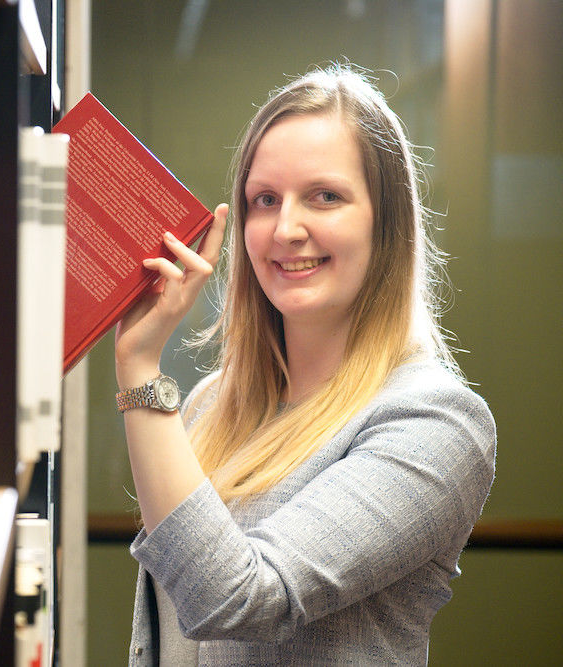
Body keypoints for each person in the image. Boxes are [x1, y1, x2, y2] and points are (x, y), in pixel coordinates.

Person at [112, 66, 496, 665]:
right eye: (265, 200)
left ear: (386, 222)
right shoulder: (210, 405)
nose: (286, 229)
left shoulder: (436, 423)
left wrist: (139, 367)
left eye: (325, 196)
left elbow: (234, 600)